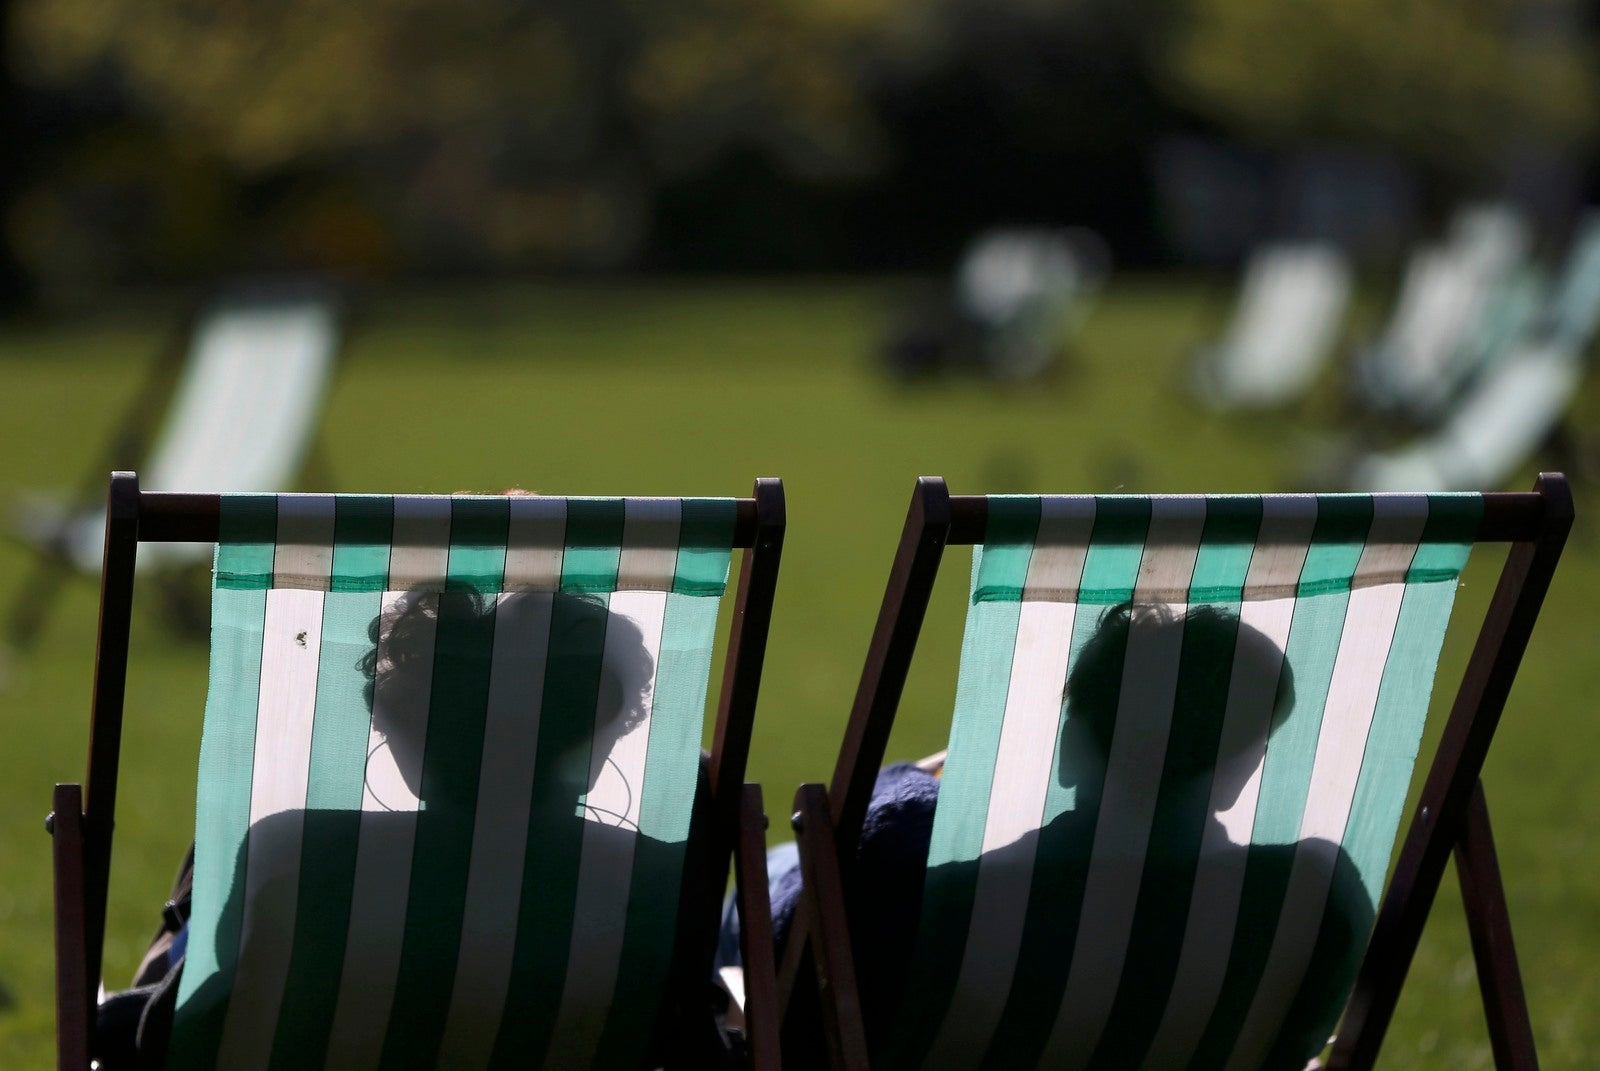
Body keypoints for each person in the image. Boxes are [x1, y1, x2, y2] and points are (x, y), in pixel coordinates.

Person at [756, 601, 1372, 1068]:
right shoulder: (1313, 901)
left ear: (1073, 749)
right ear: (1244, 767)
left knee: (771, 877)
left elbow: (793, 953)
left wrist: (904, 786)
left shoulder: (950, 899)